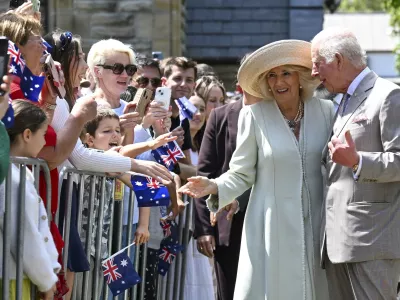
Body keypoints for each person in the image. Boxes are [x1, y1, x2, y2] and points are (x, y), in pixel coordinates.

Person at [179, 40, 334, 299]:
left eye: (286, 73)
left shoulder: (326, 111)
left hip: (318, 223)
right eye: (272, 75)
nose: (278, 81)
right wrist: (215, 186)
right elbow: (241, 172)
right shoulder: (254, 115)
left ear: (300, 77)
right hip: (270, 225)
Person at [311, 27, 400, 300]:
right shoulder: (341, 102)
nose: (314, 73)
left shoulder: (387, 95)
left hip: (372, 241)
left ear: (338, 60)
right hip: (338, 242)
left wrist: (359, 161)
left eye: (317, 64)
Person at [194, 86, 261, 300]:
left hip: (267, 219)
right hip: (228, 223)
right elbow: (206, 172)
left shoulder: (277, 113)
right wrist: (204, 228)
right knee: (229, 291)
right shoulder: (221, 116)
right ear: (241, 84)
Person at [1, 100, 60, 300]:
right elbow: (24, 235)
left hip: (19, 275)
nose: (44, 142)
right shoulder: (12, 179)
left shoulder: (18, 173)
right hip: (10, 279)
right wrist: (46, 280)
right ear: (27, 134)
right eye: (43, 135)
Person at [183, 92, 215, 299]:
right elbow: (177, 168)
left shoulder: (207, 143)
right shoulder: (177, 143)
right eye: (192, 108)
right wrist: (208, 176)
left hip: (203, 217)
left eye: (202, 108)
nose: (198, 113)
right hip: (185, 221)